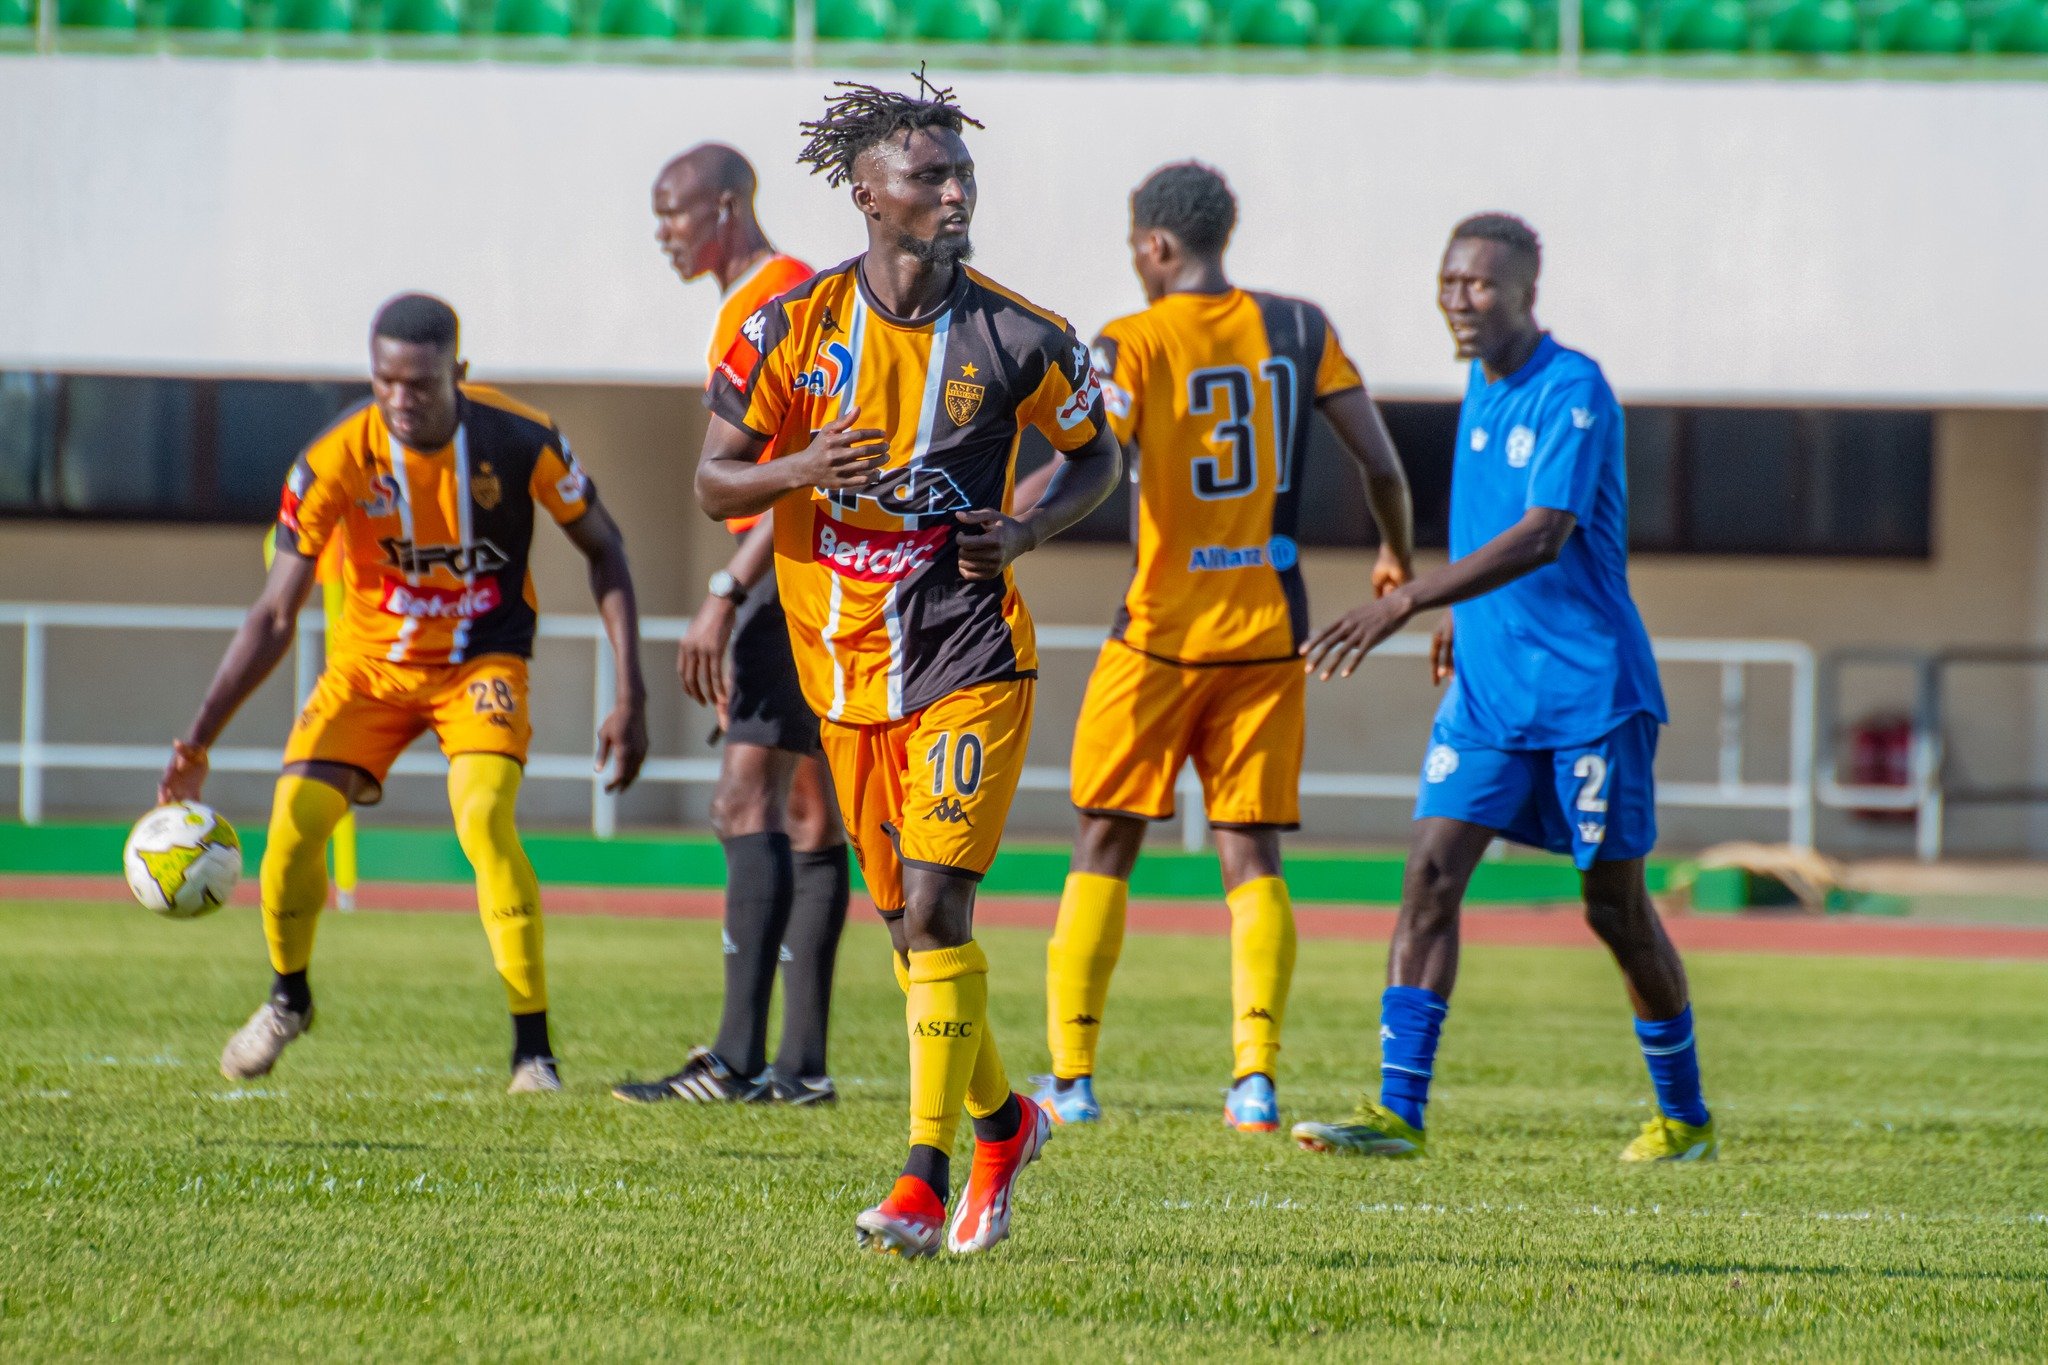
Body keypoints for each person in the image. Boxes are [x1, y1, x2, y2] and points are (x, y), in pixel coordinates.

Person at [695, 74, 1121, 1256]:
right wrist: (797, 471)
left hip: (969, 653)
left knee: (937, 906)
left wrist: (1027, 528)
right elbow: (713, 480)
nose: (953, 190)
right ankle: (1002, 1123)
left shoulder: (1021, 335)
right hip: (844, 673)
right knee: (910, 935)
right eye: (927, 176)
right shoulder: (784, 332)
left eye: (961, 173)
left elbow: (1099, 459)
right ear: (865, 196)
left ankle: (922, 1182)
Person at [1290, 214, 1716, 1163]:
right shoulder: (1480, 381)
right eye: (1447, 283)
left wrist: (1406, 602)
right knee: (1430, 877)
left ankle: (1685, 1118)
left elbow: (1543, 533)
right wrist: (1460, 615)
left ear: (1527, 290)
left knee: (1613, 907)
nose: (1458, 301)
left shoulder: (1574, 390)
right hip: (1488, 693)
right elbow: (1491, 530)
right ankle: (1399, 1113)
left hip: (1589, 695)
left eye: (1478, 286)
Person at [158, 293, 649, 1095]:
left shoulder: (522, 438)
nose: (401, 399)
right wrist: (198, 738)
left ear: (458, 373)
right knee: (292, 825)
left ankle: (534, 1050)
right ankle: (289, 999)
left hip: (480, 664)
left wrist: (631, 692)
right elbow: (275, 613)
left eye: (419, 383)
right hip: (368, 670)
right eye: (386, 381)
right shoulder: (331, 460)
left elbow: (606, 548)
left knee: (484, 817)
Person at [1024, 162, 1415, 1134]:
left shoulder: (1133, 339)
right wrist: (1393, 557)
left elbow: (1095, 454)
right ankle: (1253, 1082)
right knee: (1250, 853)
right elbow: (1381, 463)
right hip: (1265, 635)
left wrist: (1014, 522)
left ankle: (1070, 1081)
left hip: (1158, 636)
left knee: (1104, 840)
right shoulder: (1297, 329)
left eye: (1133, 249)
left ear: (1155, 247)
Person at [611, 143, 852, 1108]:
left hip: (783, 572)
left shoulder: (775, 297)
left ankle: (740, 1060)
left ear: (726, 205)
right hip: (818, 572)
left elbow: (793, 466)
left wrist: (724, 589)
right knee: (807, 807)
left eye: (673, 211)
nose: (663, 231)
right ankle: (799, 1067)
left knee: (743, 798)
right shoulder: (767, 293)